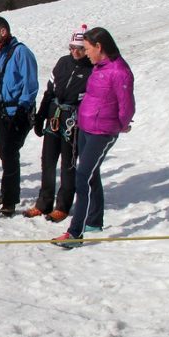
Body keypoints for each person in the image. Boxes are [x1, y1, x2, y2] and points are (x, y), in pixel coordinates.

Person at [53, 27, 135, 248]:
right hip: (85, 127)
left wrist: (121, 125)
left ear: (99, 47)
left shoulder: (119, 72)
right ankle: (95, 220)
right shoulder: (99, 67)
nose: (86, 53)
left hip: (103, 131)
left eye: (88, 49)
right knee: (90, 173)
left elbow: (127, 105)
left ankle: (75, 233)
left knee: (82, 176)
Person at [24, 25, 93, 222]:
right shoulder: (63, 63)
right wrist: (40, 117)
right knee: (48, 161)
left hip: (73, 119)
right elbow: (50, 91)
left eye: (79, 48)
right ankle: (43, 202)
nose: (75, 52)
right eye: (72, 47)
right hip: (54, 115)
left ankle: (63, 205)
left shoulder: (91, 69)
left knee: (68, 164)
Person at [0, 16, 39, 217]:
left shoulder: (21, 52)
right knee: (5, 155)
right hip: (3, 112)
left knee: (10, 155)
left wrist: (23, 110)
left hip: (17, 112)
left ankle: (10, 200)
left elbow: (30, 83)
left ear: (3, 32)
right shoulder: (2, 53)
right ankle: (7, 192)